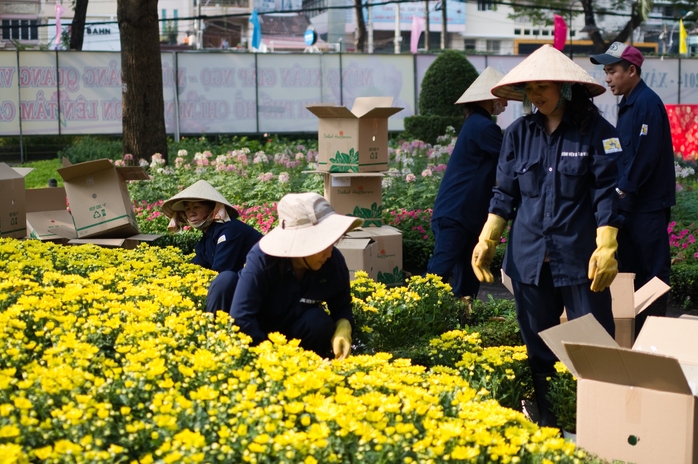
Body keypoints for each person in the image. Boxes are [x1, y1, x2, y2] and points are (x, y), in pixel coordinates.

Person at [472, 44, 623, 427]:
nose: (536, 95)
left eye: (543, 86)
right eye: (529, 89)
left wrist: (607, 245)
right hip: (528, 261)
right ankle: (551, 427)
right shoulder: (518, 134)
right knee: (538, 351)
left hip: (580, 262)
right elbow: (504, 193)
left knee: (593, 350)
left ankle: (596, 429)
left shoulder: (600, 134)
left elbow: (608, 192)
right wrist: (488, 238)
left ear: (566, 88)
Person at [590, 42, 675, 337]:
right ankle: (634, 336)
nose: (607, 78)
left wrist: (621, 190)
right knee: (632, 274)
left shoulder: (646, 103)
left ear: (632, 70)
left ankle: (654, 338)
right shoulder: (628, 104)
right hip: (630, 207)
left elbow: (646, 154)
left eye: (612, 71)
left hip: (647, 207)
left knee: (654, 274)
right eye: (605, 72)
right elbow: (623, 153)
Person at [230, 192, 363, 359]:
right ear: (300, 242)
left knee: (319, 323)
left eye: (332, 242)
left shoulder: (333, 261)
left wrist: (344, 327)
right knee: (225, 283)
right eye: (323, 245)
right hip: (257, 332)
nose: (329, 253)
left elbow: (342, 307)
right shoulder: (262, 259)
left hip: (297, 331)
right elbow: (242, 317)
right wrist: (268, 360)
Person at [427, 66, 508, 302]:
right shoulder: (483, 127)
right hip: (458, 213)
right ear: (489, 98)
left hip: (461, 214)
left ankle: (459, 320)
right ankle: (417, 310)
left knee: (467, 275)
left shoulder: (475, 124)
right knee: (439, 271)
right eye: (501, 97)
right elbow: (509, 159)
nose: (503, 102)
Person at [162, 180, 262, 314]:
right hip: (241, 288)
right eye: (187, 209)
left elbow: (220, 271)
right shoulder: (207, 237)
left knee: (223, 280)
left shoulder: (230, 231)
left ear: (213, 208)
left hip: (261, 289)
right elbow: (197, 266)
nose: (191, 213)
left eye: (196, 207)